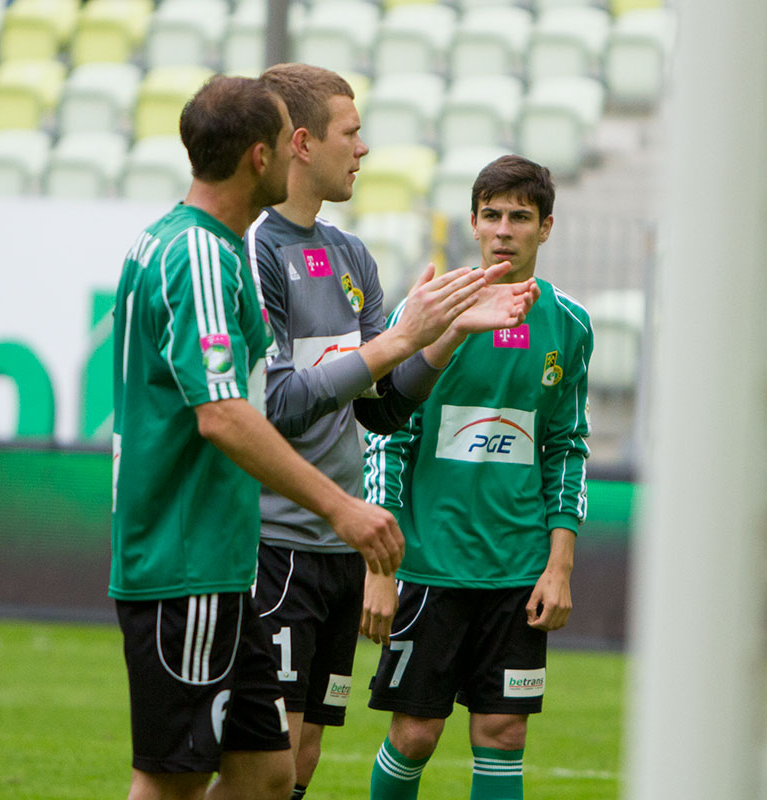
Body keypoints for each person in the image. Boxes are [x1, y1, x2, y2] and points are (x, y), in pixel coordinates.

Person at [247, 63, 539, 800]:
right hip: (273, 541)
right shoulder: (255, 251)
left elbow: (379, 409)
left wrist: (442, 336)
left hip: (337, 547)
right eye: (351, 132)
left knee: (304, 758)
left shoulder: (350, 256)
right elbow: (275, 406)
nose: (364, 148)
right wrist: (401, 340)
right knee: (269, 761)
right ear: (303, 143)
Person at [110, 76, 402, 800]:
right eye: (283, 141)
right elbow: (226, 413)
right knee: (170, 783)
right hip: (186, 561)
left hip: (221, 562)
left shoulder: (189, 242)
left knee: (267, 774)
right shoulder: (201, 255)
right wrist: (342, 506)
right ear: (260, 156)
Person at [361, 155, 592, 800]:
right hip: (430, 565)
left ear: (546, 227)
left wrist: (559, 565)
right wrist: (381, 567)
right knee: (415, 734)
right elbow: (387, 437)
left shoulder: (569, 325)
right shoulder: (430, 312)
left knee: (503, 732)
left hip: (517, 571)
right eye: (491, 215)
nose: (503, 230)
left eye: (520, 217)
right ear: (472, 222)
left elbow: (566, 449)